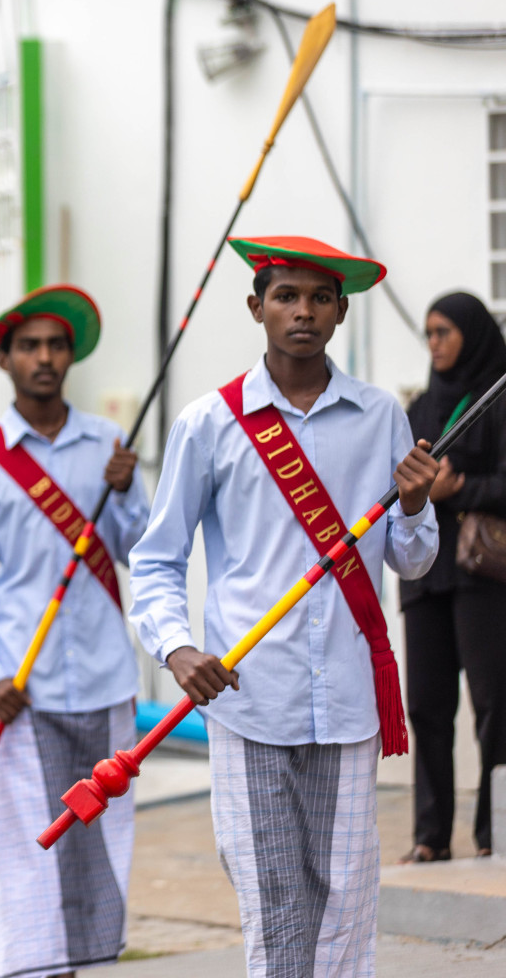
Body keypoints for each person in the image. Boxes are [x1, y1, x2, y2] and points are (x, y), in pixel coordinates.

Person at [130, 236, 440, 977]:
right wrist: (178, 650)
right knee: (274, 899)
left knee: (347, 900)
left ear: (340, 311)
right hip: (248, 695)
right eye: (285, 297)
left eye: (319, 298)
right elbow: (156, 559)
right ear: (256, 307)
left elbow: (412, 558)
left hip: (349, 699)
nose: (302, 311)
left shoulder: (379, 418)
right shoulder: (210, 422)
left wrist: (419, 505)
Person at [0, 284, 147, 978]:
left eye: (57, 345)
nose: (45, 357)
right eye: (30, 346)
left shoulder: (109, 446)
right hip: (22, 688)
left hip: (107, 677)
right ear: (6, 360)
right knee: (30, 847)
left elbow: (139, 547)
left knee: (104, 838)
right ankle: (29, 970)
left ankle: (96, 962)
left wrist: (125, 491)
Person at [400, 290, 506, 862]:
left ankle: (496, 833)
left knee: (495, 702)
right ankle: (430, 837)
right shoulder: (418, 407)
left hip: (482, 574)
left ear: (473, 332)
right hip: (425, 576)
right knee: (427, 707)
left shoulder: (500, 395)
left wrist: (460, 488)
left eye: (444, 332)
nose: (435, 344)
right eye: (429, 334)